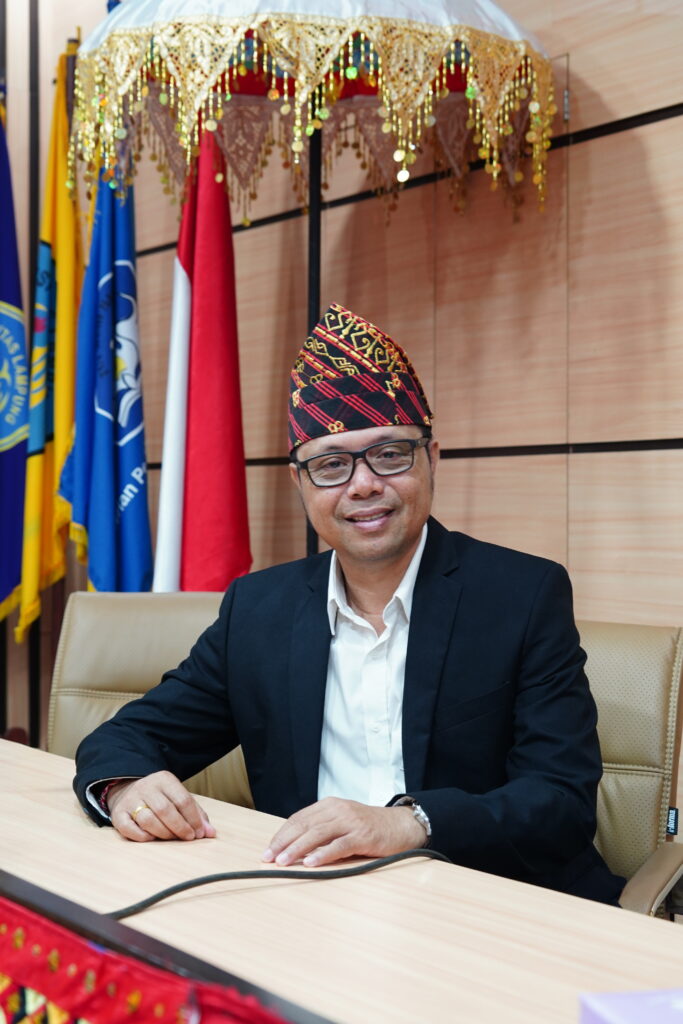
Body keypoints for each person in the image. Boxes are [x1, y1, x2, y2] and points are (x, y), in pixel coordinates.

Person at [74, 302, 624, 904]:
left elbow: (560, 801)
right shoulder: (259, 609)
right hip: (310, 902)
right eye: (332, 465)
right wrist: (126, 787)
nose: (363, 485)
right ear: (300, 484)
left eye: (389, 455)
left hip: (489, 900)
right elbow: (128, 737)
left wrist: (410, 823)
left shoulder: (522, 595)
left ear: (432, 459)